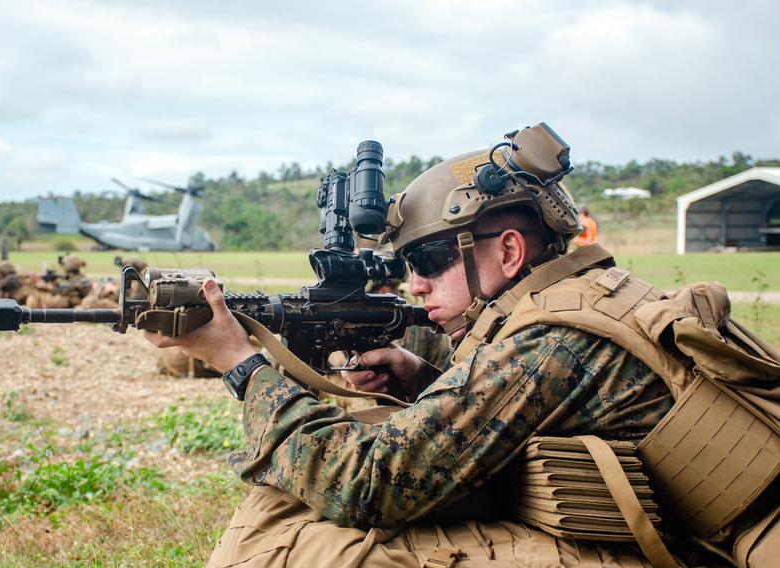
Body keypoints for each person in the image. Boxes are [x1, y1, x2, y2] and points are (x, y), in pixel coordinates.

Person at [142, 125, 761, 567]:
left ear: (510, 252)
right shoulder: (582, 298)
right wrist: (420, 378)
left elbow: (369, 485)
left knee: (318, 546)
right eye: (409, 260)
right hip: (697, 533)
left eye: (431, 258)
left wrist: (238, 362)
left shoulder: (550, 341)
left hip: (701, 550)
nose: (414, 281)